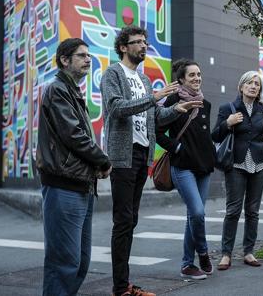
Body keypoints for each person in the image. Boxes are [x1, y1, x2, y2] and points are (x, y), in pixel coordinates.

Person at [100, 25, 203, 296]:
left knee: (131, 219)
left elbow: (153, 117)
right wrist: (153, 98)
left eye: (145, 42)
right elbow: (115, 108)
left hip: (141, 155)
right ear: (123, 47)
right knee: (123, 220)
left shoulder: (143, 80)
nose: (144, 46)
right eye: (137, 42)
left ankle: (124, 284)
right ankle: (121, 288)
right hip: (122, 155)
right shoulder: (113, 73)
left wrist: (174, 109)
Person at [37, 38, 112, 296]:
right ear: (64, 60)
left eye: (88, 55)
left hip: (82, 184)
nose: (88, 60)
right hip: (63, 185)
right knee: (64, 264)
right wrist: (101, 160)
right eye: (81, 55)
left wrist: (94, 167)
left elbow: (79, 137)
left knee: (80, 263)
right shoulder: (57, 89)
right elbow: (74, 135)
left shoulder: (72, 91)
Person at [156, 59, 215, 280]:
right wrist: (177, 147)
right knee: (198, 212)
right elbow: (158, 130)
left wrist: (211, 154)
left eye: (199, 74)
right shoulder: (172, 100)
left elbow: (203, 135)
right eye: (192, 75)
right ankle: (203, 252)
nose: (197, 78)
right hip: (182, 167)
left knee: (194, 215)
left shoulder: (205, 103)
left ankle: (187, 265)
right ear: (181, 79)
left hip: (204, 166)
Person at [212, 71, 263, 270]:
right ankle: (226, 254)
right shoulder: (228, 108)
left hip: (259, 164)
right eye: (249, 83)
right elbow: (215, 135)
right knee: (233, 210)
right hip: (236, 165)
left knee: (253, 211)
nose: (253, 86)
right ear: (241, 86)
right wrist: (228, 123)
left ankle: (249, 252)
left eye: (257, 84)